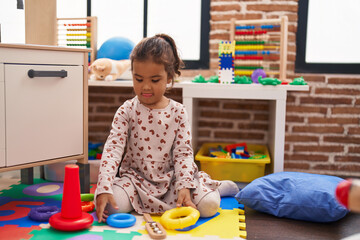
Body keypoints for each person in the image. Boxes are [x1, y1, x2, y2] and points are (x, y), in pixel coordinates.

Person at [95, 33, 239, 222]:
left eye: (154, 80)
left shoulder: (178, 112)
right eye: (138, 79)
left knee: (209, 206)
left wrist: (184, 186)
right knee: (111, 208)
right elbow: (113, 148)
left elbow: (183, 153)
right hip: (136, 181)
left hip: (173, 181)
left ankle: (214, 186)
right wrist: (104, 186)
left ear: (169, 77)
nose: (145, 87)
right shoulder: (127, 110)